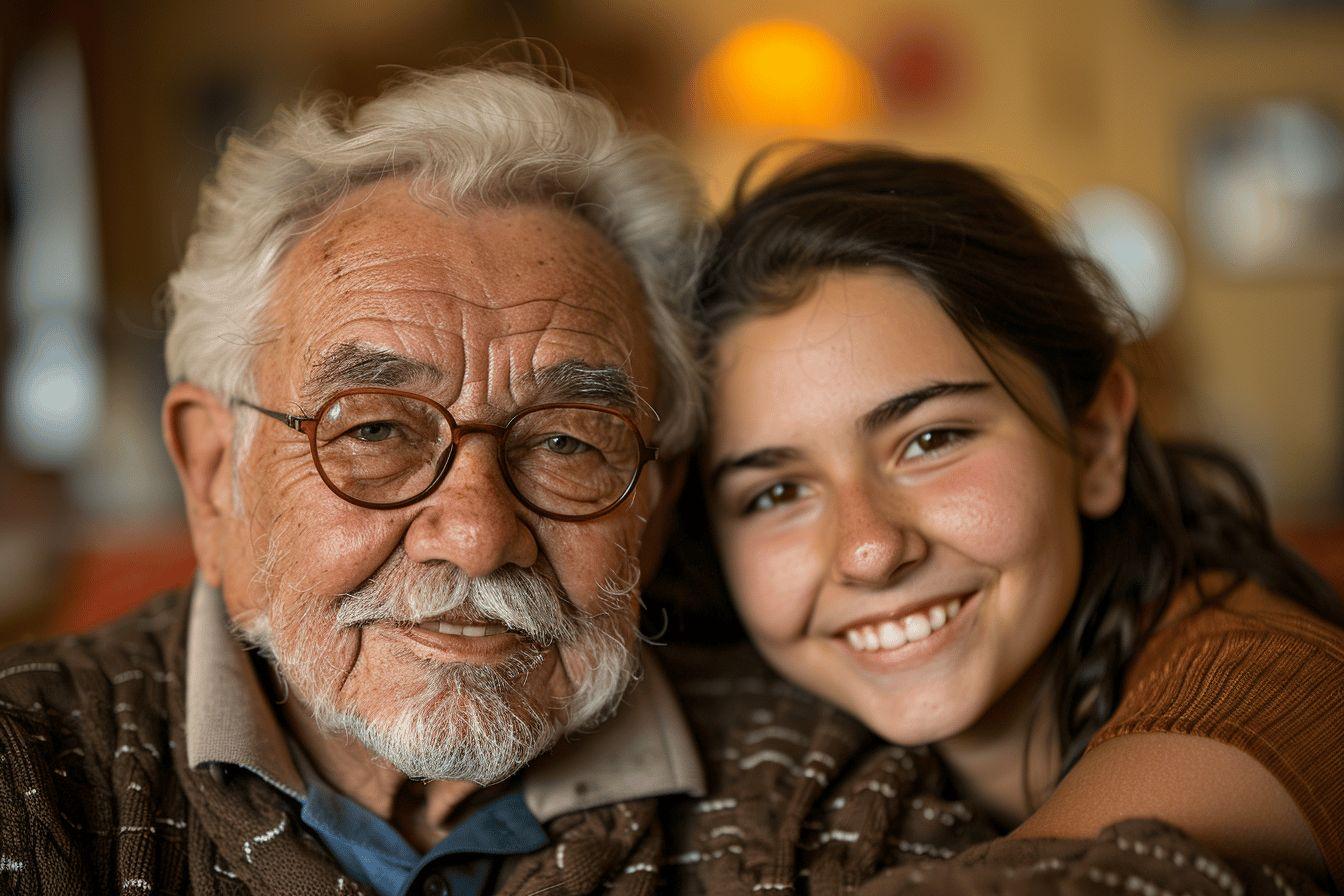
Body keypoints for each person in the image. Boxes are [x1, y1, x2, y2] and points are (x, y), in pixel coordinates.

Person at [0, 63, 722, 895]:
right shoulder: (28, 780)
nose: (480, 539)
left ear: (657, 502)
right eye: (375, 429)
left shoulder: (810, 785)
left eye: (566, 441)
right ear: (212, 475)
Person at [696, 144, 1344, 891]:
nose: (870, 550)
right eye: (776, 493)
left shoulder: (1271, 687)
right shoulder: (753, 746)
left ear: (1096, 442)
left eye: (931, 440)